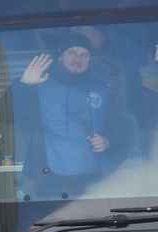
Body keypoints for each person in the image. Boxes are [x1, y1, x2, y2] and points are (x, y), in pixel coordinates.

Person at [17, 32, 125, 197]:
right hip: (49, 176)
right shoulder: (39, 83)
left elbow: (120, 128)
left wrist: (107, 141)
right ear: (60, 56)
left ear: (90, 60)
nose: (77, 59)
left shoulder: (102, 88)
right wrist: (24, 84)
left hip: (92, 175)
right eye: (71, 53)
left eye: (84, 55)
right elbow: (4, 117)